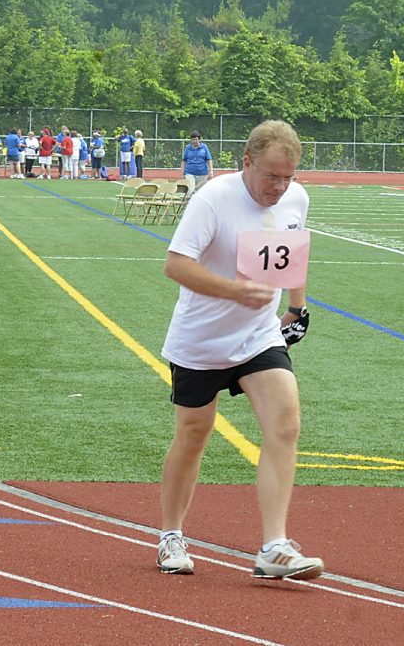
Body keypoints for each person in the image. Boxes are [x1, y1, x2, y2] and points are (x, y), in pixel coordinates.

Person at [156, 120, 321, 581]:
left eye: (288, 177)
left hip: (258, 335)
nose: (280, 187)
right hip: (201, 340)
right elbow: (175, 265)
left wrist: (297, 306)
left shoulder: (295, 198)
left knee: (285, 424)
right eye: (271, 176)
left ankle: (274, 547)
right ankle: (171, 535)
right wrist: (234, 291)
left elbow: (290, 251)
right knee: (194, 435)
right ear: (246, 162)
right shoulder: (213, 198)